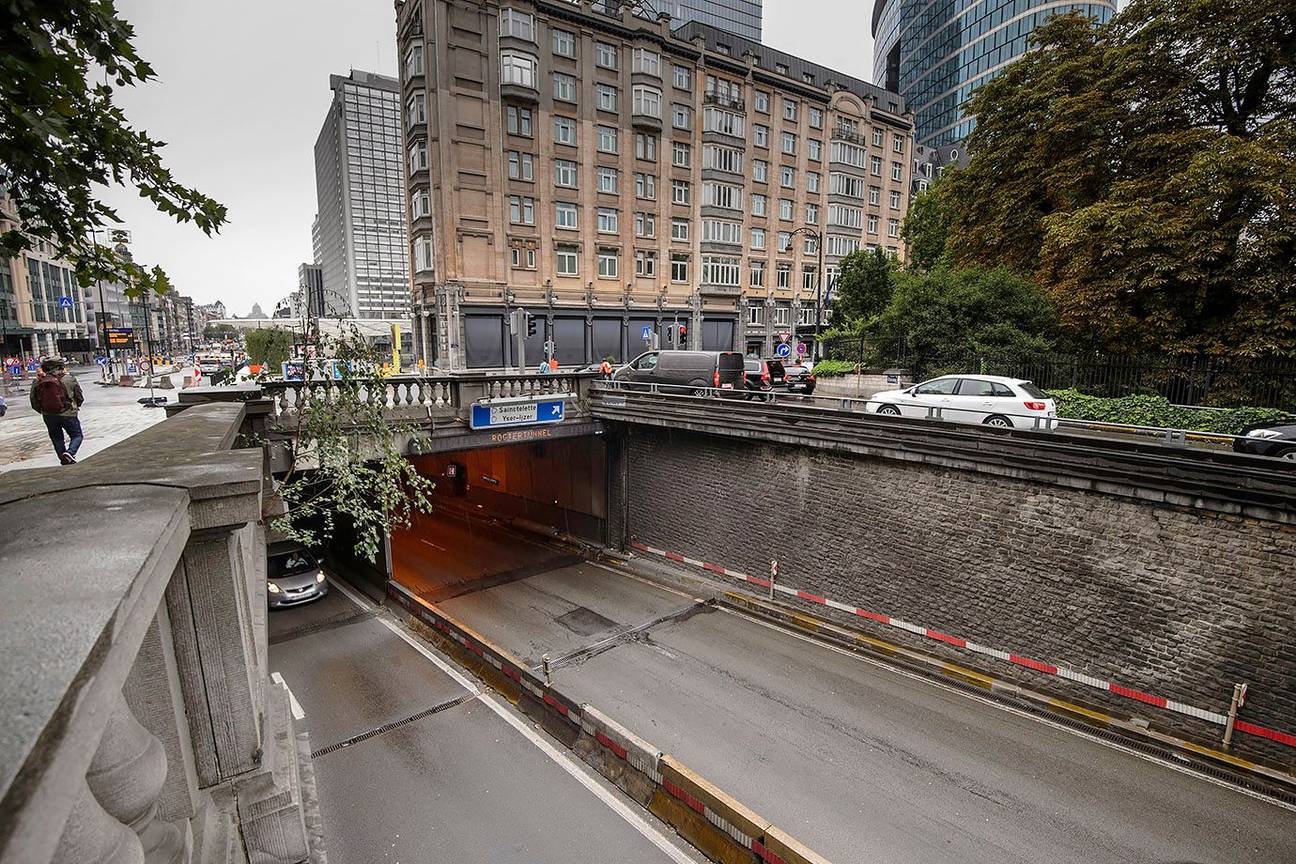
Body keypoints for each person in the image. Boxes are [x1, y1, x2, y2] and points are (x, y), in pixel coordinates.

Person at [30, 358, 84, 464]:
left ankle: (64, 459)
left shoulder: (38, 381)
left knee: (56, 438)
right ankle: (70, 452)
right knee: (77, 435)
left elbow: (33, 399)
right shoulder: (69, 379)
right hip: (68, 413)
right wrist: (75, 406)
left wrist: (43, 411)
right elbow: (79, 396)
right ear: (60, 367)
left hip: (48, 415)